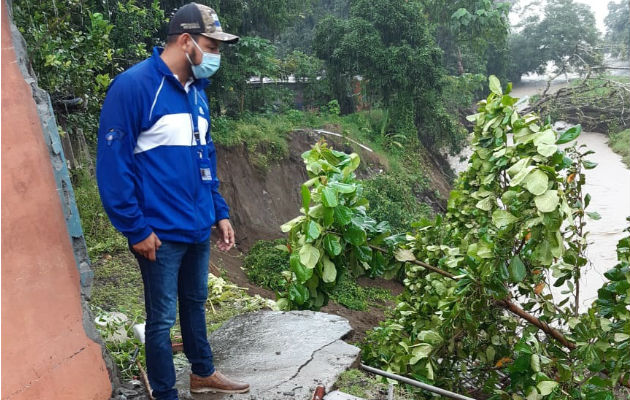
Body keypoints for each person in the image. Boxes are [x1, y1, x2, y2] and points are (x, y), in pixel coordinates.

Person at [96, 3, 249, 399]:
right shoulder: (134, 88)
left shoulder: (198, 93)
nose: (216, 55)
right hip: (159, 234)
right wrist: (136, 229)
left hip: (197, 226)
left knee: (195, 303)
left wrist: (220, 212)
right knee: (161, 319)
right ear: (186, 41)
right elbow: (114, 169)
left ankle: (202, 374)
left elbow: (205, 158)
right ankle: (164, 393)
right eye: (212, 45)